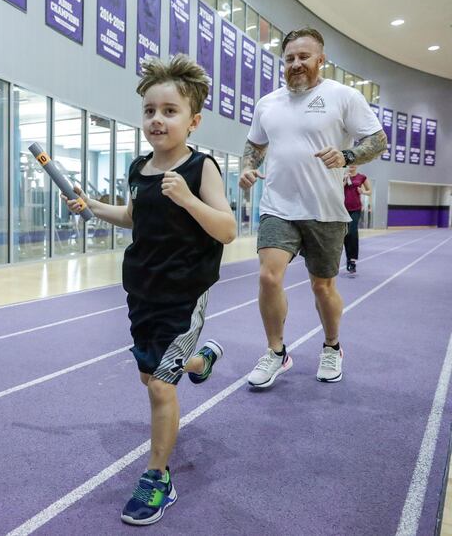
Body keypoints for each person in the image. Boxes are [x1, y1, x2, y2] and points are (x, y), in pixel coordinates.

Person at [65, 54, 236, 526]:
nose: (157, 119)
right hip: (142, 290)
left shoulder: (202, 169)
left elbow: (227, 230)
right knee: (152, 374)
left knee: (160, 386)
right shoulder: (139, 167)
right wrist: (92, 205)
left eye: (169, 111)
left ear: (193, 120)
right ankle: (200, 362)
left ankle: (158, 477)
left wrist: (186, 197)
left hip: (185, 293)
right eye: (149, 111)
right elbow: (134, 216)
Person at [240, 28, 386, 387]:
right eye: (289, 58)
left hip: (325, 210)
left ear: (321, 60)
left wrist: (347, 154)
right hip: (278, 205)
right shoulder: (267, 104)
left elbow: (378, 140)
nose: (296, 64)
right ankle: (276, 352)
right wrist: (246, 167)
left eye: (304, 57)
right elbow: (254, 146)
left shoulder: (343, 97)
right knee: (268, 276)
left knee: (322, 287)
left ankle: (332, 346)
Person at [342, 165, 371, 273]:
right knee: (345, 234)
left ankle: (353, 261)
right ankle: (349, 259)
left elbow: (370, 191)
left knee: (352, 232)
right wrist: (344, 180)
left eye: (354, 163)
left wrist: (362, 192)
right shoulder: (342, 176)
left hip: (356, 209)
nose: (352, 165)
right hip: (343, 209)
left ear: (357, 165)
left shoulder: (362, 177)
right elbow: (336, 190)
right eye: (350, 163)